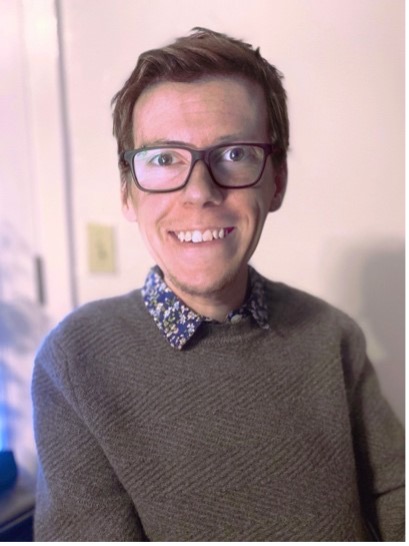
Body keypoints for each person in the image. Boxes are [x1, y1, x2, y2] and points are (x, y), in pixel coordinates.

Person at [32, 28, 404, 541]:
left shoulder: (333, 336)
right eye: (164, 159)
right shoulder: (76, 362)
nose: (201, 192)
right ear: (128, 193)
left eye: (233, 155)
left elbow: (394, 500)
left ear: (276, 181)